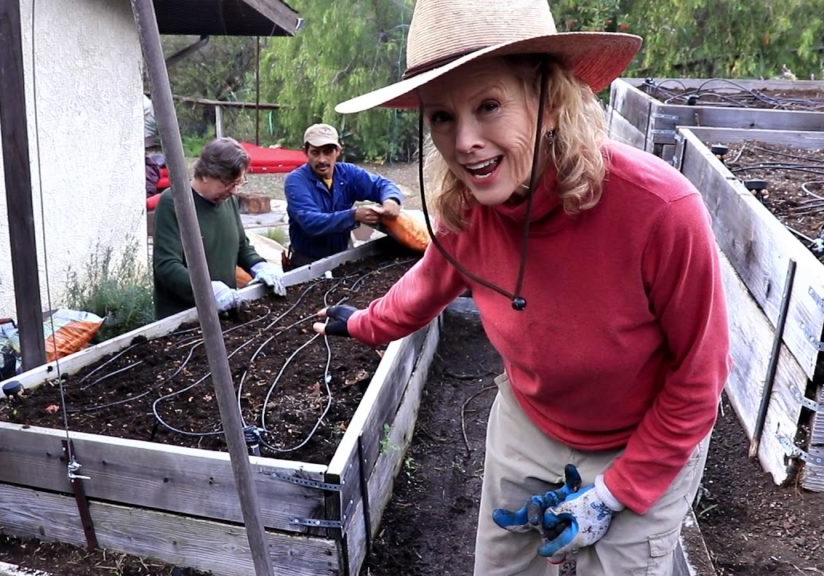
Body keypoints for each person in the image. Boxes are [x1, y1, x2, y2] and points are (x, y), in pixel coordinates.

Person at [316, 1, 731, 575]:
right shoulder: (468, 212)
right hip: (530, 420)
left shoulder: (660, 212)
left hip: (644, 435)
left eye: (489, 105)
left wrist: (615, 492)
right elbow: (425, 286)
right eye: (440, 116)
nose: (464, 142)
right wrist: (359, 323)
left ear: (551, 103)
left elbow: (700, 377)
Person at [153, 137, 286, 319]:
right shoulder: (175, 202)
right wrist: (207, 289)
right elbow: (166, 267)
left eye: (238, 182)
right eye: (228, 183)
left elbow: (241, 247)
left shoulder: (228, 200)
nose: (234, 191)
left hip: (223, 313)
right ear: (206, 174)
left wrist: (260, 266)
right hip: (184, 320)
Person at [283, 123, 404, 268]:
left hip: (341, 257)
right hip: (307, 261)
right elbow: (311, 222)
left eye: (328, 152)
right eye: (315, 152)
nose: (322, 160)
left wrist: (391, 200)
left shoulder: (348, 173)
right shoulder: (296, 181)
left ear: (338, 151)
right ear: (306, 152)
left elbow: (381, 185)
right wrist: (353, 216)